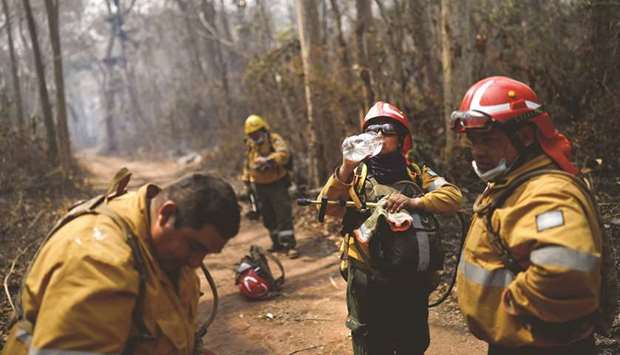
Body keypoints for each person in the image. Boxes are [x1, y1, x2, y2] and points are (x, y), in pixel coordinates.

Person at [2, 170, 241, 355]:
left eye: (207, 253)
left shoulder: (165, 249)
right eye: (194, 246)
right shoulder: (98, 263)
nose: (196, 262)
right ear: (166, 214)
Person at [451, 76, 603, 355]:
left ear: (524, 136)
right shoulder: (514, 183)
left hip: (540, 346)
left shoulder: (547, 193)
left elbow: (564, 271)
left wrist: (510, 310)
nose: (477, 152)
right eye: (473, 141)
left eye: (487, 140)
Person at [318, 101, 463, 354]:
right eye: (372, 131)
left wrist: (414, 202)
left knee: (413, 341)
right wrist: (346, 168)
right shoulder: (356, 175)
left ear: (402, 139)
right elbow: (327, 209)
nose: (379, 136)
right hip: (368, 275)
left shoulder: (417, 172)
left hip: (411, 276)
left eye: (386, 130)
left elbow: (452, 197)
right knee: (371, 343)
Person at [241, 114, 298, 258]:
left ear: (264, 130)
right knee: (267, 216)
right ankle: (277, 243)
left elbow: (284, 154)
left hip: (277, 183)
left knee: (283, 214)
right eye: (252, 135)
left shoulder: (274, 139)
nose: (255, 137)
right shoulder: (250, 145)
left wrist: (267, 160)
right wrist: (246, 180)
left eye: (257, 133)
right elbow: (247, 164)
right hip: (259, 186)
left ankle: (289, 245)